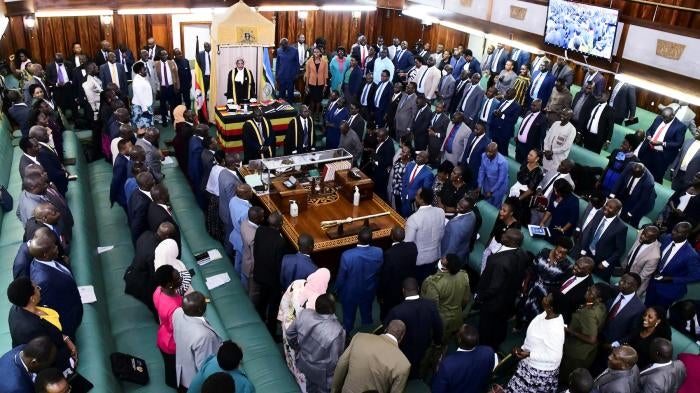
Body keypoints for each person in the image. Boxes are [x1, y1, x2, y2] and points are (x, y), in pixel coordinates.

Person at [7, 276, 75, 375]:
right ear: (32, 298)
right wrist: (70, 359)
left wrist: (66, 338)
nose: (39, 288)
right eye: (36, 288)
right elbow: (49, 354)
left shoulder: (19, 306)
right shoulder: (32, 330)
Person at [500, 293, 565, 393]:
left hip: (537, 372)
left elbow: (555, 357)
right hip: (529, 361)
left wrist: (529, 354)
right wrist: (523, 349)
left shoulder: (555, 329)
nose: (544, 298)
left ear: (551, 308)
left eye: (547, 298)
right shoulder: (546, 314)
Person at [476, 229, 528, 350]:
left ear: (509, 241)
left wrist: (480, 297)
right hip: (508, 298)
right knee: (500, 323)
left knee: (486, 328)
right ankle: (497, 341)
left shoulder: (499, 262)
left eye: (505, 235)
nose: (503, 234)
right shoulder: (522, 253)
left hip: (493, 303)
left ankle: (485, 349)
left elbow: (493, 288)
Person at [278, 268, 331, 387]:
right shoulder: (317, 301)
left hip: (287, 324)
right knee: (300, 362)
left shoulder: (297, 283)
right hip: (301, 337)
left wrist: (282, 317)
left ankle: (290, 368)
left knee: (289, 351)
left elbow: (285, 300)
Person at [385, 278, 443, 379]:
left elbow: (386, 330)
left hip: (403, 349)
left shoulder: (397, 311)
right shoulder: (431, 305)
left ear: (403, 290)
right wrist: (437, 342)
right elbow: (438, 326)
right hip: (424, 346)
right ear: (418, 288)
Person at [286, 294, 345, 393]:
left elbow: (289, 333)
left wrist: (297, 349)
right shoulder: (337, 332)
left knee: (310, 387)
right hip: (323, 374)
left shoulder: (303, 313)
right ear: (331, 309)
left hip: (304, 362)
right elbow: (335, 360)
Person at [28, 233, 83, 340]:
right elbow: (55, 311)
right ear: (45, 254)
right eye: (53, 247)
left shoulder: (43, 260)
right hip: (68, 323)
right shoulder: (44, 281)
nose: (57, 247)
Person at [332, 320, 410, 393]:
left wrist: (334, 390)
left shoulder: (359, 337)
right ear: (402, 336)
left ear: (386, 329)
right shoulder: (404, 364)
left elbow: (341, 365)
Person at [334, 227, 383, 333]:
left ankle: (346, 338)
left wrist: (335, 290)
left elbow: (341, 278)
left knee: (348, 319)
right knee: (367, 316)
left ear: (357, 238)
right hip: (369, 290)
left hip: (350, 293)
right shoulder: (378, 252)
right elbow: (379, 270)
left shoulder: (347, 255)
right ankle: (367, 335)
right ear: (371, 239)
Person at [517, 238, 574, 328]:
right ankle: (519, 324)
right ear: (555, 247)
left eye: (564, 254)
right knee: (523, 305)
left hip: (546, 294)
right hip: (532, 285)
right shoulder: (544, 252)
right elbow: (532, 269)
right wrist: (525, 284)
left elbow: (561, 286)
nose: (560, 255)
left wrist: (550, 298)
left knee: (537, 314)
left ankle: (530, 328)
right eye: (558, 251)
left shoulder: (567, 266)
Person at [172, 291, 223, 390]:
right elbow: (204, 365)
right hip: (194, 381)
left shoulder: (177, 312)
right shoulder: (204, 336)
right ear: (200, 309)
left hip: (182, 368)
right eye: (204, 303)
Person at [645, 222, 700, 308]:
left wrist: (672, 279)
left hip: (669, 291)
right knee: (646, 307)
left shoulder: (691, 255)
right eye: (674, 229)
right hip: (653, 284)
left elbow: (697, 276)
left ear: (686, 234)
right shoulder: (667, 238)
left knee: (658, 315)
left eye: (678, 232)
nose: (673, 232)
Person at [559, 284, 607, 384]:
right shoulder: (601, 306)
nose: (587, 291)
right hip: (587, 352)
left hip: (576, 353)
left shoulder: (589, 313)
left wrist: (569, 330)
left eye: (591, 292)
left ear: (598, 299)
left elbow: (592, 339)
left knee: (565, 378)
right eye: (589, 288)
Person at [431, 324, 496, 393]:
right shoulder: (489, 351)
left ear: (459, 340)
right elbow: (488, 375)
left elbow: (437, 390)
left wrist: (437, 370)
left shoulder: (447, 365)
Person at [422, 254, 470, 344]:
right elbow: (466, 299)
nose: (441, 259)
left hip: (441, 321)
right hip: (457, 316)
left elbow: (431, 308)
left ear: (446, 267)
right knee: (447, 342)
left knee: (435, 343)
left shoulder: (434, 283)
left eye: (443, 259)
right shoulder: (464, 275)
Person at [253, 212, 288, 334]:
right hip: (273, 280)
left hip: (259, 273)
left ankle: (260, 318)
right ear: (280, 225)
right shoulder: (280, 242)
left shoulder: (260, 230)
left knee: (262, 299)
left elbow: (256, 250)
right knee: (273, 306)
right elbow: (279, 264)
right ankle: (271, 331)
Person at [404, 187, 445, 283]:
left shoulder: (413, 218)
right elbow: (442, 234)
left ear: (421, 200)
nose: (415, 197)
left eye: (417, 196)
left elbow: (408, 244)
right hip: (435, 256)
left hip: (419, 260)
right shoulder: (440, 212)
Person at [153, 265, 184, 388]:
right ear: (169, 284)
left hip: (163, 337)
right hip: (173, 344)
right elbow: (178, 329)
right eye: (177, 278)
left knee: (170, 368)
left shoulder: (158, 291)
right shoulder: (174, 309)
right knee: (178, 373)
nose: (181, 279)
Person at [377, 226, 418, 321]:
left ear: (391, 236)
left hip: (393, 290)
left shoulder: (389, 254)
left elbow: (385, 277)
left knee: (388, 313)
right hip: (408, 285)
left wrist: (380, 295)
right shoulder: (412, 246)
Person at [638, 106, 688, 183]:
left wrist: (662, 143)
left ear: (672, 116)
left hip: (661, 157)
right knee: (640, 174)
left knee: (655, 179)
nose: (664, 120)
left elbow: (678, 143)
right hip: (648, 151)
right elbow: (649, 130)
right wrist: (649, 136)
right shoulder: (659, 118)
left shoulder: (680, 126)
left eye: (666, 118)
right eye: (663, 117)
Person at [600, 273, 646, 349]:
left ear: (635, 287)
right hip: (595, 333)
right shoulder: (611, 290)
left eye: (625, 282)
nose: (620, 283)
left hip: (610, 343)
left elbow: (633, 333)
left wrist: (615, 344)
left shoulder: (639, 308)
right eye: (621, 280)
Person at [187, 341, 255, 393]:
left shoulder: (210, 362)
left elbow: (194, 388)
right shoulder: (246, 385)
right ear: (239, 362)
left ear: (218, 356)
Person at [481, 198, 522, 272]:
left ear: (511, 213)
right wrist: (487, 247)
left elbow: (510, 248)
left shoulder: (515, 226)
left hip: (501, 254)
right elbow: (493, 233)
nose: (501, 212)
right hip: (492, 248)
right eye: (501, 209)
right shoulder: (500, 218)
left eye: (504, 211)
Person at [610, 163, 657, 227]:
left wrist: (631, 212)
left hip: (643, 203)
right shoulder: (630, 166)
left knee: (632, 220)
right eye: (632, 173)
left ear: (642, 174)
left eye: (636, 175)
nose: (633, 176)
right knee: (621, 213)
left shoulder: (649, 182)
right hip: (628, 194)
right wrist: (612, 194)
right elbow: (620, 178)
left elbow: (642, 200)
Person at [622, 226, 661, 296]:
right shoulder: (642, 233)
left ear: (653, 240)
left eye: (646, 236)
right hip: (627, 270)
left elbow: (642, 277)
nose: (642, 236)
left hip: (635, 282)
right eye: (643, 233)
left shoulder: (655, 256)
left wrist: (627, 283)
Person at [400, 151, 434, 217]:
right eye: (418, 155)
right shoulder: (410, 165)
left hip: (414, 203)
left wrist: (417, 202)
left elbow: (425, 191)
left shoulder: (428, 174)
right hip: (404, 196)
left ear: (426, 160)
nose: (418, 157)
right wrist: (402, 193)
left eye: (421, 156)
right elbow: (404, 180)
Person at [242, 207, 265, 302]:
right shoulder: (253, 237)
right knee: (254, 291)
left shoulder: (244, 222)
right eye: (262, 217)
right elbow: (255, 257)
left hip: (245, 259)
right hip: (252, 268)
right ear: (256, 219)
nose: (263, 218)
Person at [543, 108, 576, 174]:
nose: (562, 116)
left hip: (558, 159)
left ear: (570, 117)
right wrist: (546, 150)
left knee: (552, 177)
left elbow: (566, 147)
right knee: (544, 174)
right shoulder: (555, 123)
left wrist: (552, 152)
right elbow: (546, 138)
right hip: (547, 155)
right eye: (562, 114)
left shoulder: (572, 129)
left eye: (565, 115)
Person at [477, 142, 508, 206]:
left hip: (499, 187)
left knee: (495, 204)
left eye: (491, 152)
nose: (488, 154)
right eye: (487, 151)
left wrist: (491, 191)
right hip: (488, 183)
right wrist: (480, 185)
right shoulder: (484, 156)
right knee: (487, 203)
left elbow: (501, 180)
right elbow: (482, 171)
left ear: (496, 151)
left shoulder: (502, 162)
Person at [154, 50, 180, 125]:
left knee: (172, 104)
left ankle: (173, 119)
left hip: (171, 87)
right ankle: (164, 120)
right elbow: (155, 77)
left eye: (166, 54)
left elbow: (176, 75)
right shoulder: (156, 64)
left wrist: (177, 86)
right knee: (163, 105)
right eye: (163, 55)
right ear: (160, 56)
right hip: (162, 88)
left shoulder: (171, 62)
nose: (165, 56)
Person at [128, 171, 155, 244]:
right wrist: (138, 244)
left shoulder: (135, 192)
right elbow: (136, 227)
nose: (154, 181)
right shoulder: (143, 205)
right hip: (145, 236)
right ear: (146, 185)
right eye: (152, 180)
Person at [276, 38, 300, 102]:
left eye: (284, 45)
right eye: (281, 45)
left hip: (291, 76)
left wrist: (297, 73)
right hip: (281, 76)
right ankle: (281, 109)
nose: (283, 47)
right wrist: (277, 75)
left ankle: (290, 108)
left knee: (290, 94)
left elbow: (297, 63)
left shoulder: (294, 50)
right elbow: (277, 63)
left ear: (287, 44)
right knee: (281, 94)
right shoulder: (278, 50)